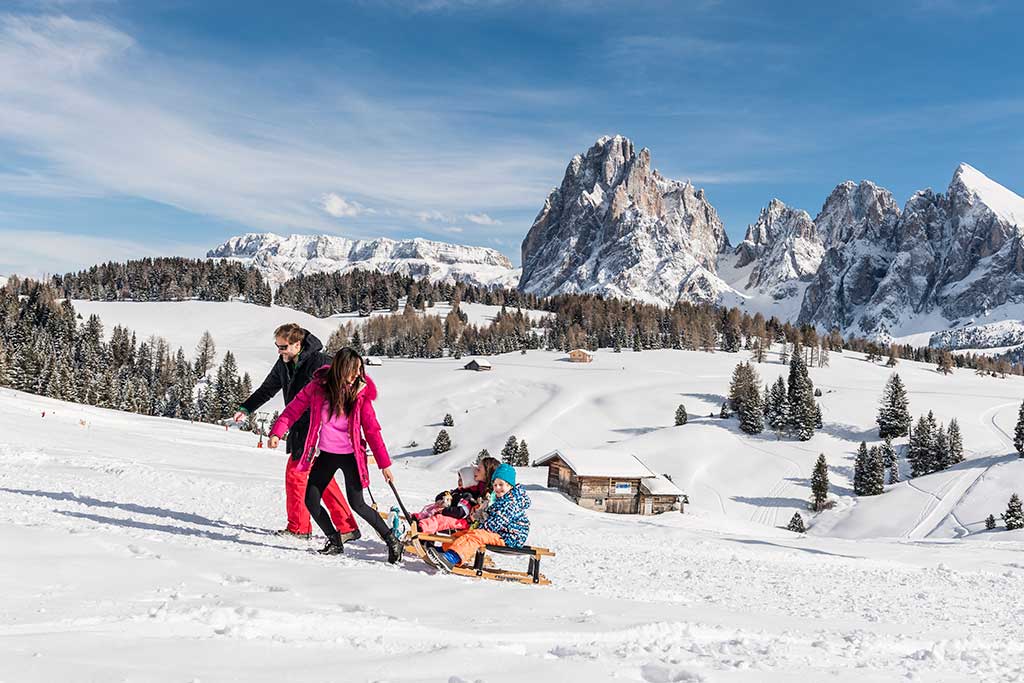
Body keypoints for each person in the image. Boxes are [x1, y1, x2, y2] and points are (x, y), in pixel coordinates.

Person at [268, 347, 404, 562]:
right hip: (327, 455)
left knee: (357, 504)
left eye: (359, 370)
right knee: (311, 501)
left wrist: (384, 465)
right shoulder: (317, 388)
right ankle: (334, 540)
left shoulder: (360, 395)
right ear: (340, 369)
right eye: (352, 371)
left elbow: (372, 431)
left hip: (351, 457)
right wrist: (277, 432)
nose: (356, 376)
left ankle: (391, 540)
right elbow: (292, 411)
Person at [234, 324, 358, 541]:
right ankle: (346, 526)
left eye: (283, 346)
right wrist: (246, 408)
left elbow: (344, 386)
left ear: (297, 344)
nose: (279, 350)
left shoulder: (320, 362)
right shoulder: (284, 363)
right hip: (300, 428)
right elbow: (267, 389)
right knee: (322, 479)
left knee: (296, 475)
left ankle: (299, 527)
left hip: (317, 430)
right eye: (277, 346)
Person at [426, 463, 530, 572]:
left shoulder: (510, 503)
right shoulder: (502, 500)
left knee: (476, 535)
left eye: (501, 484)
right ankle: (445, 550)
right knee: (466, 533)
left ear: (510, 485)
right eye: (495, 485)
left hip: (509, 537)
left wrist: (480, 526)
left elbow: (494, 524)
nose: (497, 488)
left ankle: (451, 558)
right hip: (500, 532)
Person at [413, 457, 500, 535]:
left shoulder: (486, 493)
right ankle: (420, 519)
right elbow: (452, 494)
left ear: (487, 473)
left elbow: (463, 511)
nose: (475, 471)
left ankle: (423, 527)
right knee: (433, 510)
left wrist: (444, 510)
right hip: (462, 517)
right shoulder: (471, 489)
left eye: (479, 469)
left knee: (440, 519)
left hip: (466, 522)